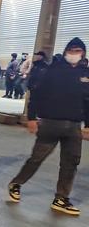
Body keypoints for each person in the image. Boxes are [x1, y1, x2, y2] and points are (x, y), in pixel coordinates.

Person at [8, 39, 89, 216]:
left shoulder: (85, 74)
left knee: (71, 163)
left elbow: (87, 101)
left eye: (78, 51)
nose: (75, 54)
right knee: (37, 158)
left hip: (74, 126)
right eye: (72, 50)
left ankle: (61, 198)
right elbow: (37, 94)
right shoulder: (53, 71)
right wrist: (31, 118)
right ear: (66, 51)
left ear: (83, 53)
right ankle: (16, 183)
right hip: (51, 123)